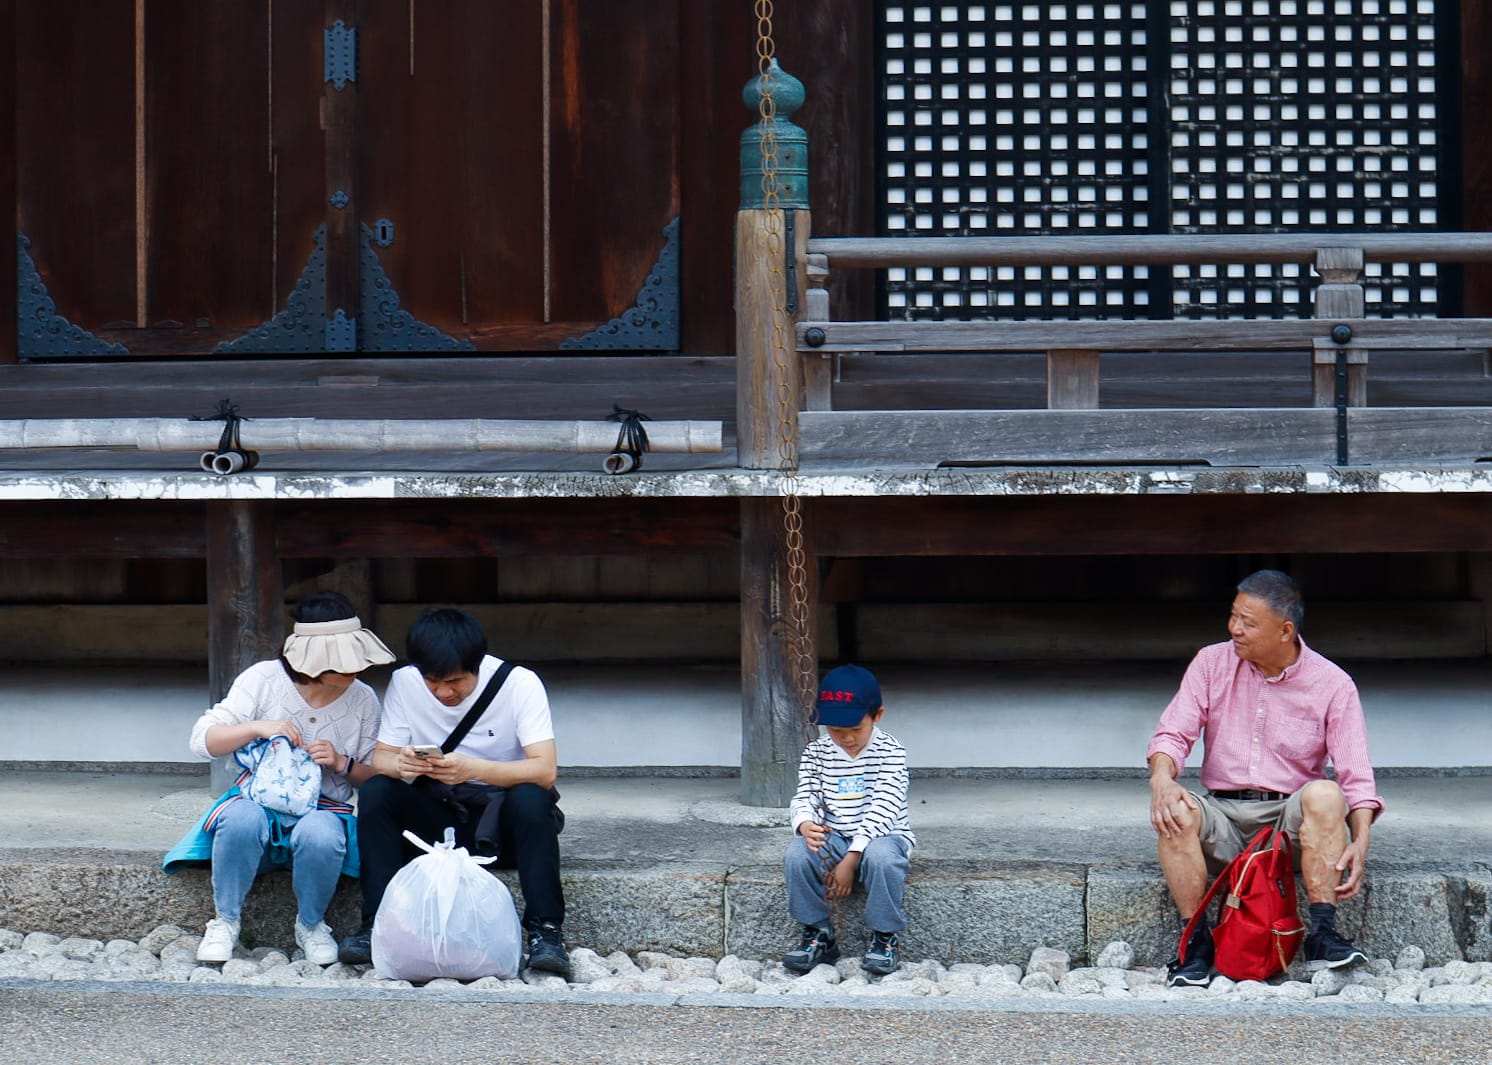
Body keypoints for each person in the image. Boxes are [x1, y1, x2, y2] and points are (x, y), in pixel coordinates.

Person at [1147, 569, 1384, 987]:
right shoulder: (1211, 662)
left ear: (1285, 631)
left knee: (1327, 794)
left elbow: (1357, 779)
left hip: (1285, 828)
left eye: (1248, 622)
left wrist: (1361, 841)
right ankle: (1195, 943)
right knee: (1176, 809)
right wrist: (1162, 780)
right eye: (1234, 616)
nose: (1234, 628)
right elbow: (1173, 733)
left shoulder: (1332, 684)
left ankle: (1324, 933)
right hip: (1222, 812)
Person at [336, 606, 571, 978]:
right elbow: (381, 758)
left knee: (532, 795)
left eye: (456, 682)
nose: (443, 692)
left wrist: (471, 768)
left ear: (478, 665)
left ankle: (547, 931)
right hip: (439, 824)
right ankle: (374, 924)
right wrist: (403, 765)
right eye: (433, 681)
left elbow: (545, 769)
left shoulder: (519, 684)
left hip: (500, 828)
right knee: (379, 789)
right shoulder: (405, 682)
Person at [164, 591, 394, 966]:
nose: (355, 669)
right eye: (343, 661)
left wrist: (341, 763)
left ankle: (311, 925)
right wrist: (258, 727)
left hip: (324, 809)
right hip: (258, 805)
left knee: (321, 831)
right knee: (240, 818)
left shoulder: (364, 699)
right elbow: (202, 741)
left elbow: (373, 776)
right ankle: (225, 921)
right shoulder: (263, 679)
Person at [783, 663, 916, 977]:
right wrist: (805, 824)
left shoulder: (891, 752)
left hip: (883, 837)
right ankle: (818, 933)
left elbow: (883, 809)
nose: (846, 739)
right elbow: (806, 795)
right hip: (836, 837)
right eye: (836, 730)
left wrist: (852, 859)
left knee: (883, 858)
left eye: (855, 729)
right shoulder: (817, 753)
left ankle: (884, 937)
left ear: (877, 715)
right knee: (797, 854)